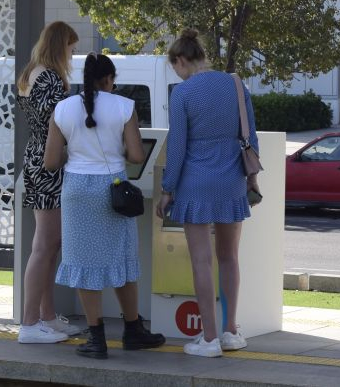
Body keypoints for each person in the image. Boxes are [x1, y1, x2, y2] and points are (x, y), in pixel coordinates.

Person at [44, 52, 165, 359]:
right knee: (121, 259)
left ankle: (96, 338)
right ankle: (133, 329)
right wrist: (116, 148)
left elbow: (51, 161)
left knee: (84, 264)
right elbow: (137, 156)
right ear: (109, 79)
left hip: (76, 191)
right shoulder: (124, 106)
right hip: (112, 190)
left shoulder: (62, 109)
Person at [157, 29, 260, 358]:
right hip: (231, 182)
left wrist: (167, 189)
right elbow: (250, 135)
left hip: (194, 185)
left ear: (183, 60)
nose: (177, 73)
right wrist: (251, 177)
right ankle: (231, 331)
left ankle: (209, 338)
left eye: (175, 67)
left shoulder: (183, 93)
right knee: (229, 258)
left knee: (202, 261)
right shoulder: (235, 85)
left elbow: (177, 147)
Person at [15, 21, 83, 344]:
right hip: (51, 165)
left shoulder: (30, 73)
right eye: (71, 47)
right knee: (45, 245)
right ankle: (30, 323)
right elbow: (59, 122)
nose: (73, 54)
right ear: (61, 46)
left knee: (48, 245)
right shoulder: (53, 79)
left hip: (34, 160)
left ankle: (47, 317)